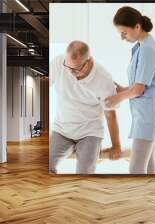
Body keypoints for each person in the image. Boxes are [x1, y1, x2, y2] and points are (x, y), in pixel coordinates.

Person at [105, 6, 155, 174]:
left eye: (124, 33)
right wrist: (122, 89)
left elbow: (139, 89)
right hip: (145, 112)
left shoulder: (148, 49)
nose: (122, 37)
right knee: (148, 166)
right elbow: (141, 84)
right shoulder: (141, 47)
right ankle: (151, 199)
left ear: (137, 27)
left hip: (148, 115)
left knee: (136, 169)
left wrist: (117, 99)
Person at [49, 41, 121, 174]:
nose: (70, 72)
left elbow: (110, 115)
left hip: (90, 132)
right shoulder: (59, 62)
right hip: (62, 129)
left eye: (75, 69)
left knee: (84, 173)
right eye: (68, 67)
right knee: (46, 165)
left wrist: (116, 146)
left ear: (89, 61)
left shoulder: (103, 79)